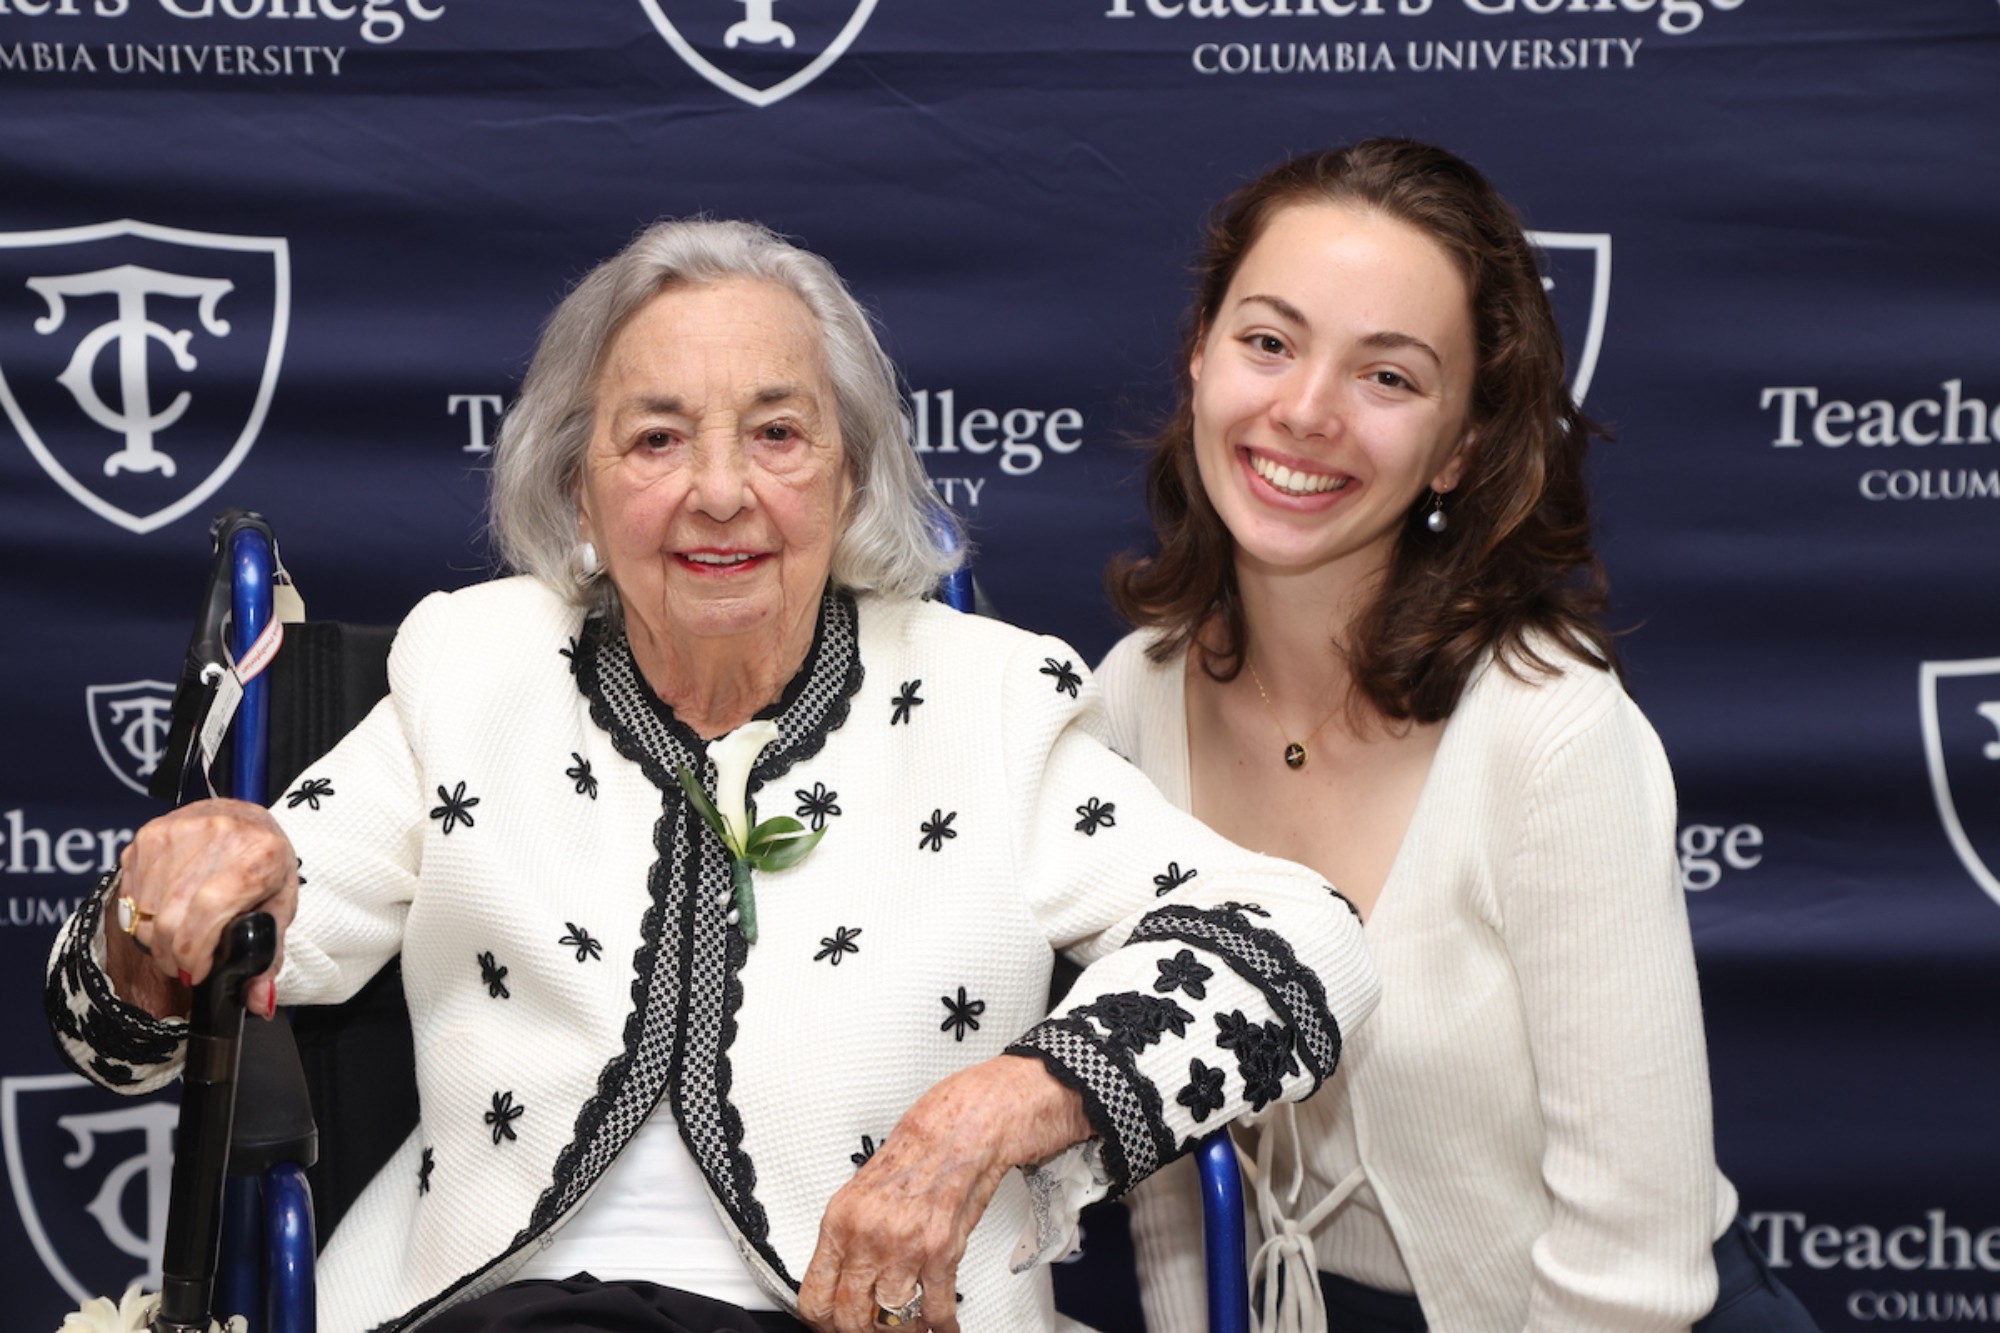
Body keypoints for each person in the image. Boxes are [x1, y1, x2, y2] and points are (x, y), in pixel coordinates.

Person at [45, 219, 1380, 1333]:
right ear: (579, 488)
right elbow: (119, 1027)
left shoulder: (988, 700)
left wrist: (1003, 1106)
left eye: (779, 434)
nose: (721, 492)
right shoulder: (473, 673)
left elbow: (1309, 942)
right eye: (657, 438)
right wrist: (157, 916)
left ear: (848, 471)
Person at [1097, 140, 1819, 1332]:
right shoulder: (1131, 696)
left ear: (1460, 446)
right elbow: (1171, 1160)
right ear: (1198, 357)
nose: (1305, 411)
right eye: (1267, 342)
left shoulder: (1548, 729)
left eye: (1387, 377)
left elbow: (1629, 1275)